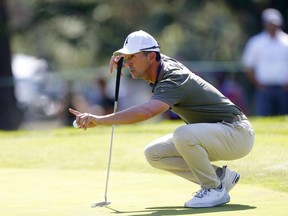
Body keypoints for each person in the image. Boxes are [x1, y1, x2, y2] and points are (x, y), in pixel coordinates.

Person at [69, 30, 255, 208]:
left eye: (132, 56)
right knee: (154, 153)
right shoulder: (159, 63)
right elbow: (154, 56)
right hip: (218, 134)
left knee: (183, 134)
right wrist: (127, 61)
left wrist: (100, 120)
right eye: (126, 57)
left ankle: (213, 188)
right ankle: (220, 178)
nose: (128, 62)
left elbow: (147, 111)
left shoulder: (173, 78)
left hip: (237, 133)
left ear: (150, 57)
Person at [242, 8, 288, 116]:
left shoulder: (286, 41)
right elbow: (248, 66)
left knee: (283, 118)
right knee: (263, 115)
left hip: (284, 88)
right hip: (264, 88)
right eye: (269, 23)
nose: (272, 26)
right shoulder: (256, 42)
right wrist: (257, 84)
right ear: (265, 24)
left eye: (275, 23)